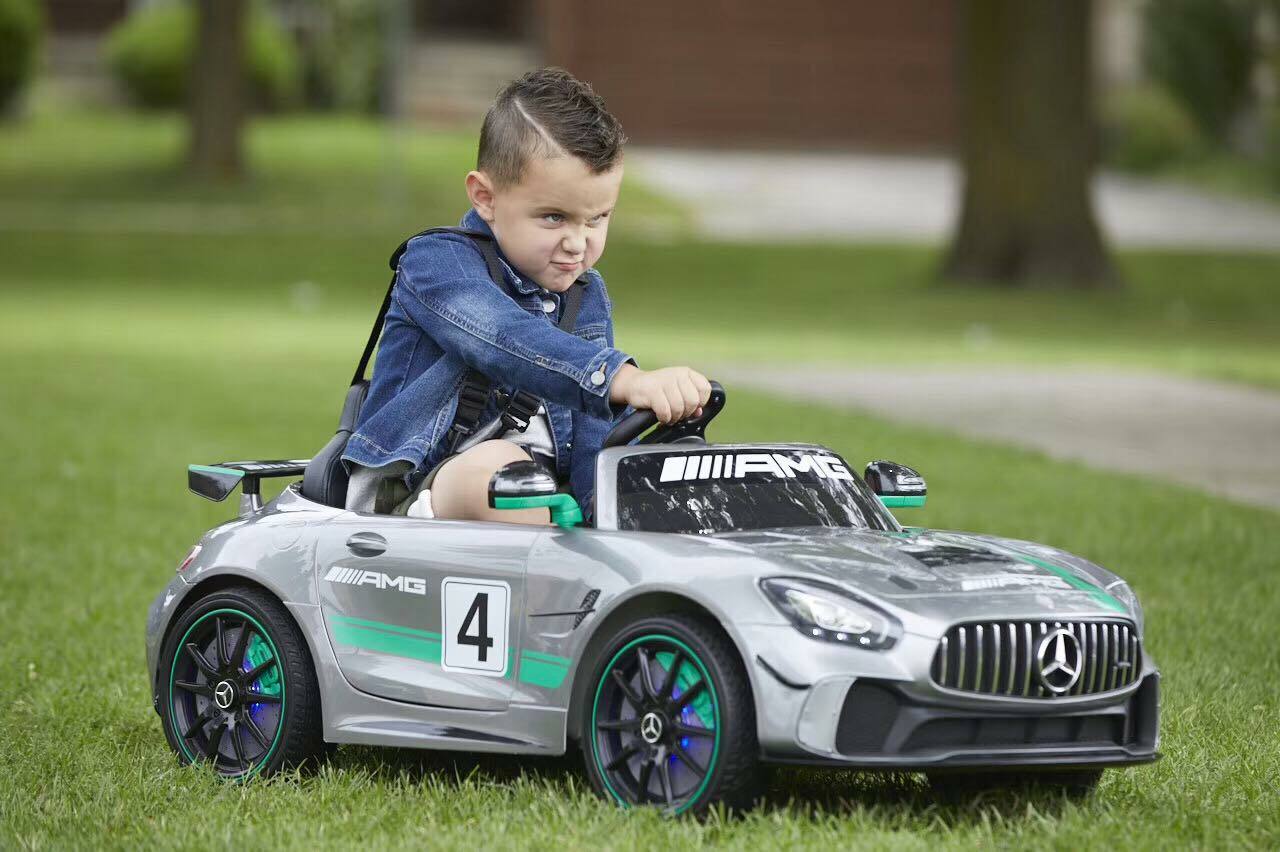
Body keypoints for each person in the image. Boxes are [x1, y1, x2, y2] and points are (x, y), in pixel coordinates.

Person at [341, 68, 710, 524]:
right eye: (554, 217)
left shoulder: (585, 294)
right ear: (485, 197)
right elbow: (503, 338)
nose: (577, 243)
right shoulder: (436, 263)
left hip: (546, 499)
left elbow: (593, 436)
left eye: (596, 219)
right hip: (414, 494)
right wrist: (620, 379)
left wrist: (614, 502)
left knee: (668, 476)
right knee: (504, 475)